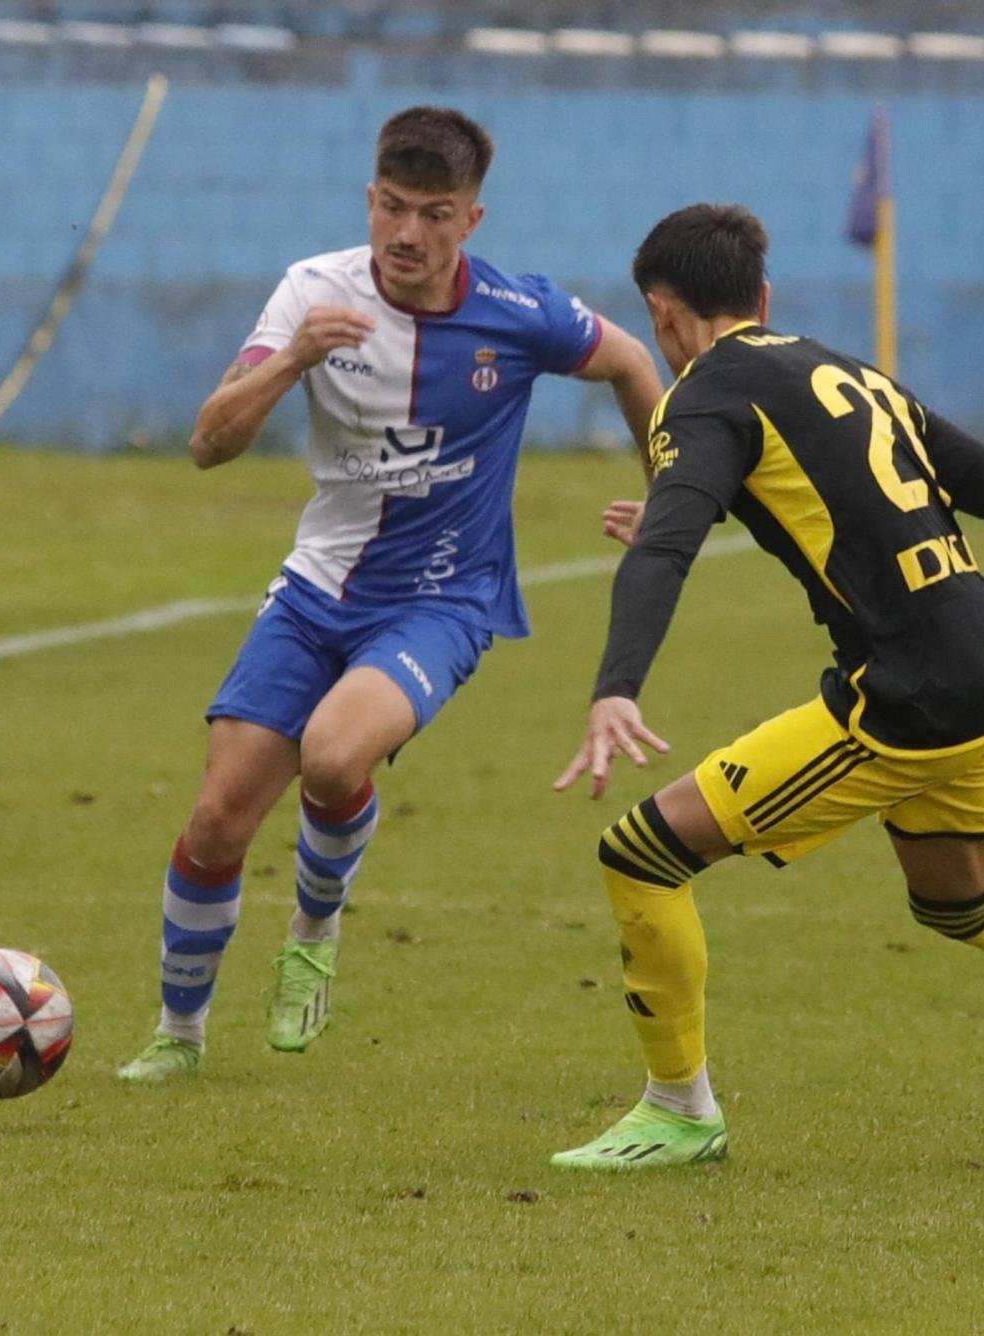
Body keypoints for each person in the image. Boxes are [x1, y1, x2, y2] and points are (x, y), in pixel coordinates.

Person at [550, 204, 984, 1168]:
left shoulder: (701, 397)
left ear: (663, 315)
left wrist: (616, 685)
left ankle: (680, 1111)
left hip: (907, 696)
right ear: (763, 297)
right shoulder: (850, 375)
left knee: (640, 857)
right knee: (961, 900)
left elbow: (667, 547)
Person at [117, 107, 662, 1081]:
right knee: (215, 817)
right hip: (316, 588)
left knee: (331, 755)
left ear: (472, 221)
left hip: (443, 600)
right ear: (370, 199)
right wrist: (291, 362)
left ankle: (314, 931)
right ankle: (178, 1032)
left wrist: (671, 493)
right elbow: (207, 444)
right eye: (394, 208)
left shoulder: (519, 313)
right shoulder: (310, 292)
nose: (408, 234)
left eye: (435, 214)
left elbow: (627, 361)